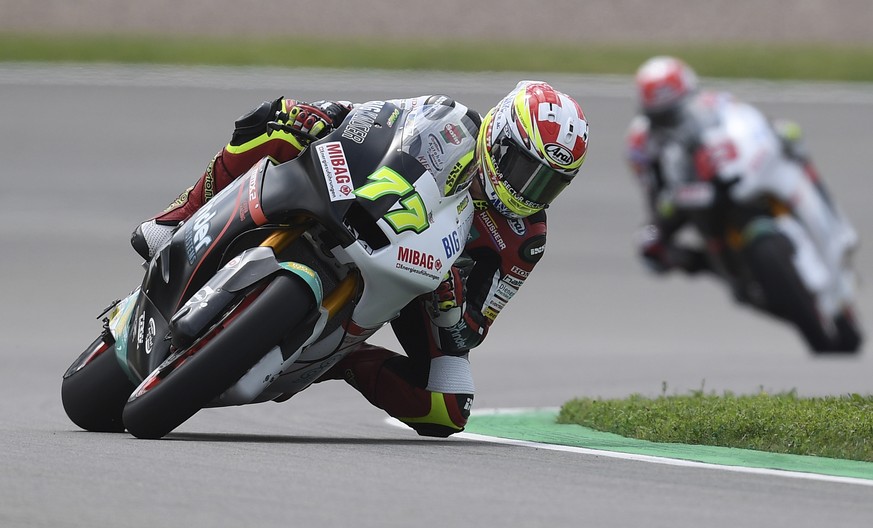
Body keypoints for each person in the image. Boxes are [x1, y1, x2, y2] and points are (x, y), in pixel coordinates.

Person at [131, 81, 590, 437]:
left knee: (450, 409)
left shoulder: (525, 238)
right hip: (361, 207)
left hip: (419, 285)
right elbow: (368, 119)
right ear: (500, 137)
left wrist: (449, 305)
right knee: (274, 122)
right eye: (526, 171)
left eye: (549, 184)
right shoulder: (448, 120)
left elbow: (469, 335)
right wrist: (320, 113)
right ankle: (175, 219)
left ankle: (337, 359)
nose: (529, 192)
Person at [625, 56, 858, 329]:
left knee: (794, 145)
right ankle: (724, 272)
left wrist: (774, 133)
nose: (672, 120)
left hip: (735, 178)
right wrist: (656, 228)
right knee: (652, 250)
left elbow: (752, 124)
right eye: (663, 115)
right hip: (685, 202)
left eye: (676, 110)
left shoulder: (717, 104)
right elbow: (651, 193)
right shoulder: (642, 139)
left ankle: (834, 227)